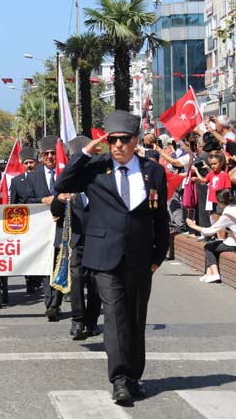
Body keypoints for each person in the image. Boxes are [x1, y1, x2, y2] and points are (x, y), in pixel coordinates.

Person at [54, 110, 169, 405]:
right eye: (113, 140)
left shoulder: (153, 171)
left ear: (136, 141)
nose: (118, 145)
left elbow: (160, 218)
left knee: (136, 317)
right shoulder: (95, 168)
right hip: (104, 256)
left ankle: (133, 376)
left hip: (141, 257)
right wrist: (84, 153)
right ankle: (119, 379)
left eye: (124, 139)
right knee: (115, 315)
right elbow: (62, 184)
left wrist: (158, 256)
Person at [51, 135, 102, 340]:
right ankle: (78, 320)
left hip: (98, 240)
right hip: (77, 241)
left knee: (95, 283)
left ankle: (92, 321)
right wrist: (59, 199)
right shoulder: (68, 181)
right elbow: (55, 211)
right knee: (77, 280)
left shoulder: (101, 179)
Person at [27, 135, 63, 322]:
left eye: (53, 153)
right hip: (42, 229)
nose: (50, 156)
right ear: (41, 157)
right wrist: (43, 200)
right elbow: (27, 201)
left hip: (63, 227)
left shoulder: (65, 172)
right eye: (46, 153)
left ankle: (55, 303)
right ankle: (50, 304)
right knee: (46, 266)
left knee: (59, 265)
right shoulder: (33, 177)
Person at [186, 189, 236, 283]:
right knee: (213, 244)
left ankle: (215, 274)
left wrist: (193, 226)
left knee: (208, 247)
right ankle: (208, 273)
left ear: (221, 201)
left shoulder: (227, 215)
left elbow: (210, 231)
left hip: (235, 243)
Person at [9, 147, 41, 294]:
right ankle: (29, 280)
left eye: (31, 162)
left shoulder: (42, 178)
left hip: (41, 221)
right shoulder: (16, 181)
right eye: (26, 163)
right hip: (25, 222)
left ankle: (40, 278)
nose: (29, 165)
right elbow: (13, 204)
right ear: (23, 164)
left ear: (36, 163)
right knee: (28, 252)